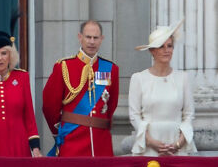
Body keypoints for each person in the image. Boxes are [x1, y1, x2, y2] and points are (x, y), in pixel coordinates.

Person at [42, 20, 119, 157]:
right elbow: (50, 105)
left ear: (102, 39)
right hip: (72, 140)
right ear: (80, 37)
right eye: (88, 37)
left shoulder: (111, 69)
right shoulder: (64, 66)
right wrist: (59, 131)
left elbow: (111, 105)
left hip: (101, 142)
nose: (91, 42)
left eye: (95, 38)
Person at [129, 20, 197, 156]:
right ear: (152, 51)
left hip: (178, 147)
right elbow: (134, 115)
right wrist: (150, 141)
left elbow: (189, 115)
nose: (166, 50)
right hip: (148, 147)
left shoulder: (183, 78)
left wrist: (179, 143)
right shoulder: (138, 78)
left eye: (169, 46)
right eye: (161, 46)